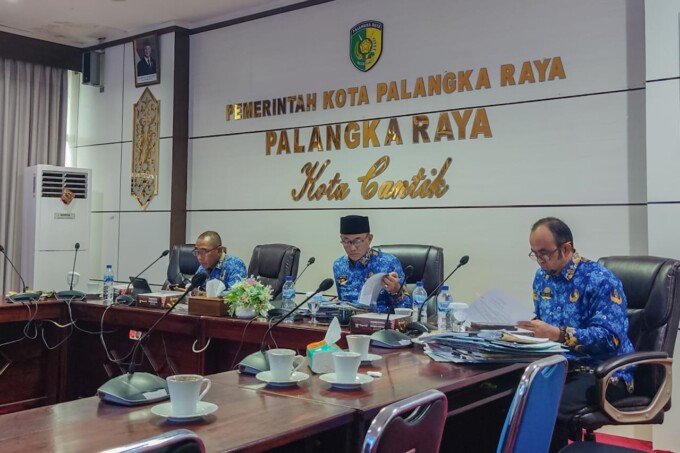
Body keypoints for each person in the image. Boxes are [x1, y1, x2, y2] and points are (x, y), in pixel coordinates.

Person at [517, 217, 634, 452]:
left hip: (603, 372)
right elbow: (544, 325)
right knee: (505, 396)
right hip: (559, 368)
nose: (540, 261)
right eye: (534, 254)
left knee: (544, 406)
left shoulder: (600, 280)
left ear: (566, 249)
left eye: (545, 253)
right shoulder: (542, 278)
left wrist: (559, 334)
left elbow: (609, 339)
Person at [333, 215, 411, 312]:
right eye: (347, 241)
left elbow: (407, 308)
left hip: (379, 323)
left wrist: (396, 290)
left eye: (357, 241)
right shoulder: (339, 265)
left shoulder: (389, 263)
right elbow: (342, 303)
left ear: (369, 238)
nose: (352, 248)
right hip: (347, 324)